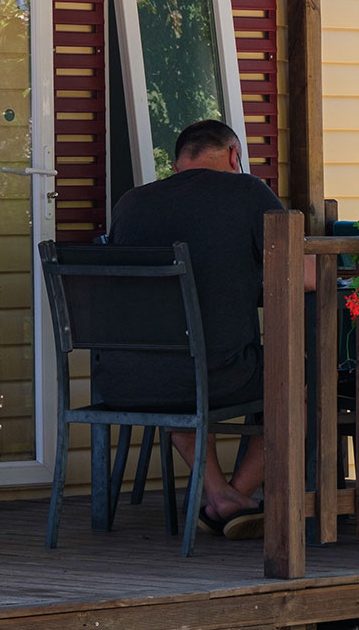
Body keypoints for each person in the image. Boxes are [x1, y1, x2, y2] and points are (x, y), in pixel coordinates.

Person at [99, 119, 315, 539]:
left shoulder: (130, 203)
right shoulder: (247, 191)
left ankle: (219, 495)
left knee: (178, 369)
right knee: (292, 380)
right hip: (212, 375)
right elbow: (305, 276)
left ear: (178, 163)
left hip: (126, 377)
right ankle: (233, 497)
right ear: (234, 156)